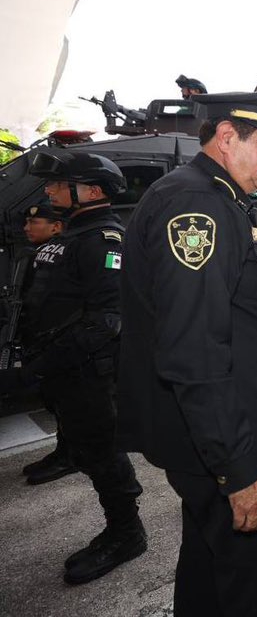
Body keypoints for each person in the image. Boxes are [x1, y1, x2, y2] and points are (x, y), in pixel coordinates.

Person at [117, 89, 257, 617]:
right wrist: (240, 470)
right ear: (227, 137)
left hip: (219, 432)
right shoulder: (198, 203)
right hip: (230, 437)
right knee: (255, 588)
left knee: (208, 568)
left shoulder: (218, 197)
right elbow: (194, 350)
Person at [0, 152, 146, 585]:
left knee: (103, 452)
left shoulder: (103, 239)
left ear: (92, 191)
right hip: (64, 369)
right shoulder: (70, 235)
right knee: (86, 448)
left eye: (60, 185)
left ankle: (127, 533)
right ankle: (119, 527)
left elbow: (107, 319)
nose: (49, 191)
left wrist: (40, 366)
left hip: (87, 371)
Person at [17, 201, 79, 486]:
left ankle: (71, 456)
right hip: (42, 340)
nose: (27, 228)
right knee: (55, 403)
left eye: (34, 223)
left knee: (68, 404)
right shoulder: (42, 252)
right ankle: (63, 451)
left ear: (56, 226)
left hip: (60, 343)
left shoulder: (64, 251)